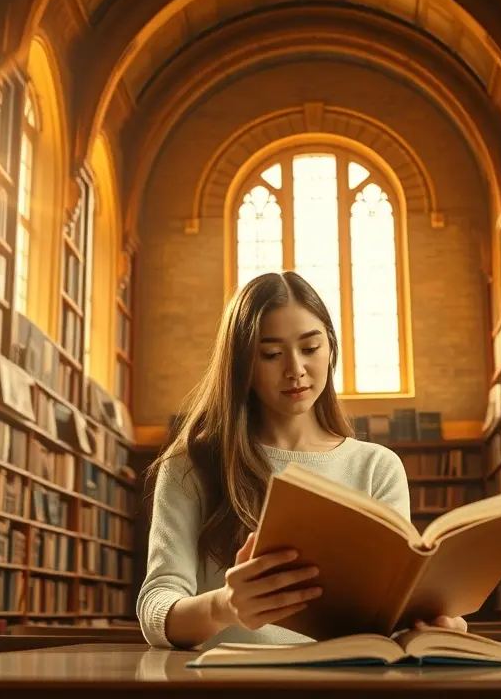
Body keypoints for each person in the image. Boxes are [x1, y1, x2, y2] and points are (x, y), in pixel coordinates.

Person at [136, 271, 466, 649]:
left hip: (346, 684)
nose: (295, 369)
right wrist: (224, 607)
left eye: (310, 348)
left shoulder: (378, 467)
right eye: (271, 354)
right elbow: (155, 609)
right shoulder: (190, 467)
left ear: (331, 349)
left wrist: (426, 628)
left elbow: (386, 615)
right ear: (242, 363)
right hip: (227, 687)